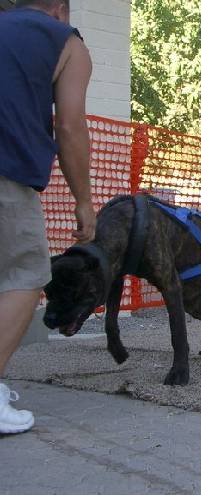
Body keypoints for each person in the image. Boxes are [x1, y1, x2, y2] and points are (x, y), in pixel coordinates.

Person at [0, 0, 95, 434]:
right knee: (25, 275)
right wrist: (83, 200)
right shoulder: (66, 42)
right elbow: (70, 126)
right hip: (8, 176)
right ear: (60, 8)